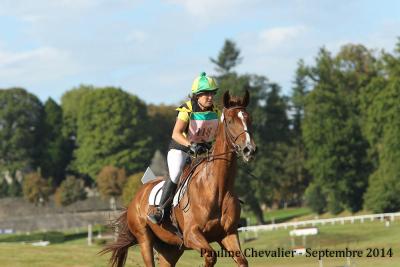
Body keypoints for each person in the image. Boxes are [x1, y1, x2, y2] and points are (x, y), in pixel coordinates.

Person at [147, 72, 220, 224]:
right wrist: (191, 145)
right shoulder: (186, 109)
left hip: (203, 152)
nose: (210, 97)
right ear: (197, 95)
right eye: (205, 94)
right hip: (180, 150)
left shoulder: (216, 111)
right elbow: (176, 133)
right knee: (175, 174)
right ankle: (161, 210)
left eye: (212, 93)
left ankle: (224, 211)